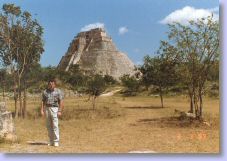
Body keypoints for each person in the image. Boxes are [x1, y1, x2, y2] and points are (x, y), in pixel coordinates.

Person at [41, 79, 64, 147]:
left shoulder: (58, 91)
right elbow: (43, 101)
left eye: (52, 84)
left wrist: (60, 111)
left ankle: (56, 141)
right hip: (47, 108)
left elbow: (61, 101)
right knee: (48, 126)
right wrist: (42, 110)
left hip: (55, 108)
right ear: (48, 84)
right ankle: (51, 141)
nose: (51, 85)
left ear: (55, 84)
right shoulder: (45, 92)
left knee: (55, 125)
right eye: (50, 84)